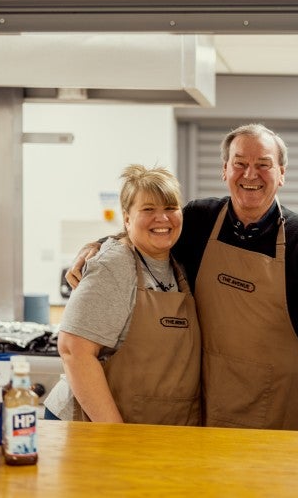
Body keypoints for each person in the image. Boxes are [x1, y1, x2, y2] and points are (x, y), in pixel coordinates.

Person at [68, 124, 298, 437]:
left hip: (285, 405)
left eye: (263, 165)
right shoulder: (200, 221)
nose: (250, 174)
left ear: (281, 173)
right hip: (217, 404)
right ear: (225, 170)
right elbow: (154, 228)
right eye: (240, 164)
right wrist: (100, 243)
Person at [43, 164, 201, 426]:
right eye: (148, 209)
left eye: (170, 208)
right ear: (127, 219)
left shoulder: (178, 263)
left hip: (149, 425)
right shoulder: (114, 264)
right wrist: (114, 433)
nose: (162, 219)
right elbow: (73, 350)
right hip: (94, 427)